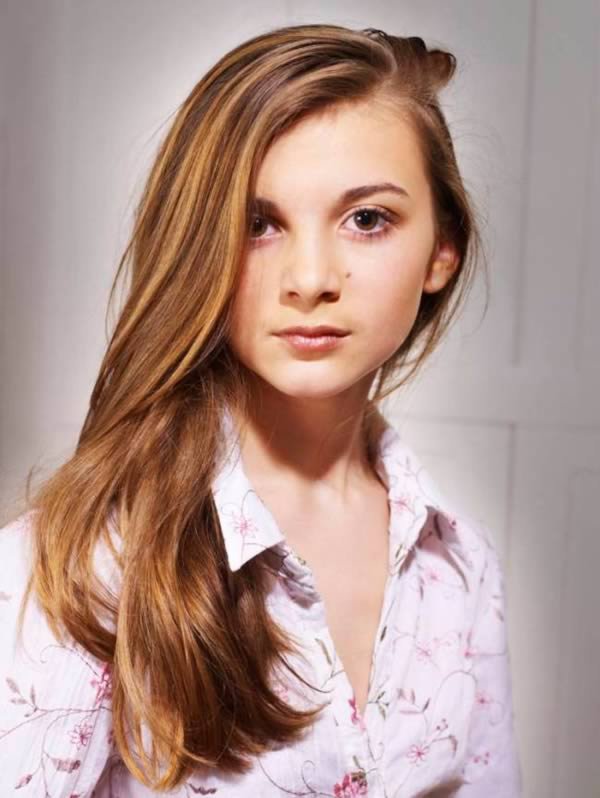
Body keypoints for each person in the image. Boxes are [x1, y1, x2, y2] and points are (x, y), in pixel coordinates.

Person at [0, 22, 523, 797]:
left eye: (367, 219)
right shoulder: (83, 566)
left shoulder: (460, 565)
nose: (310, 279)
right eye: (258, 224)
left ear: (441, 250)